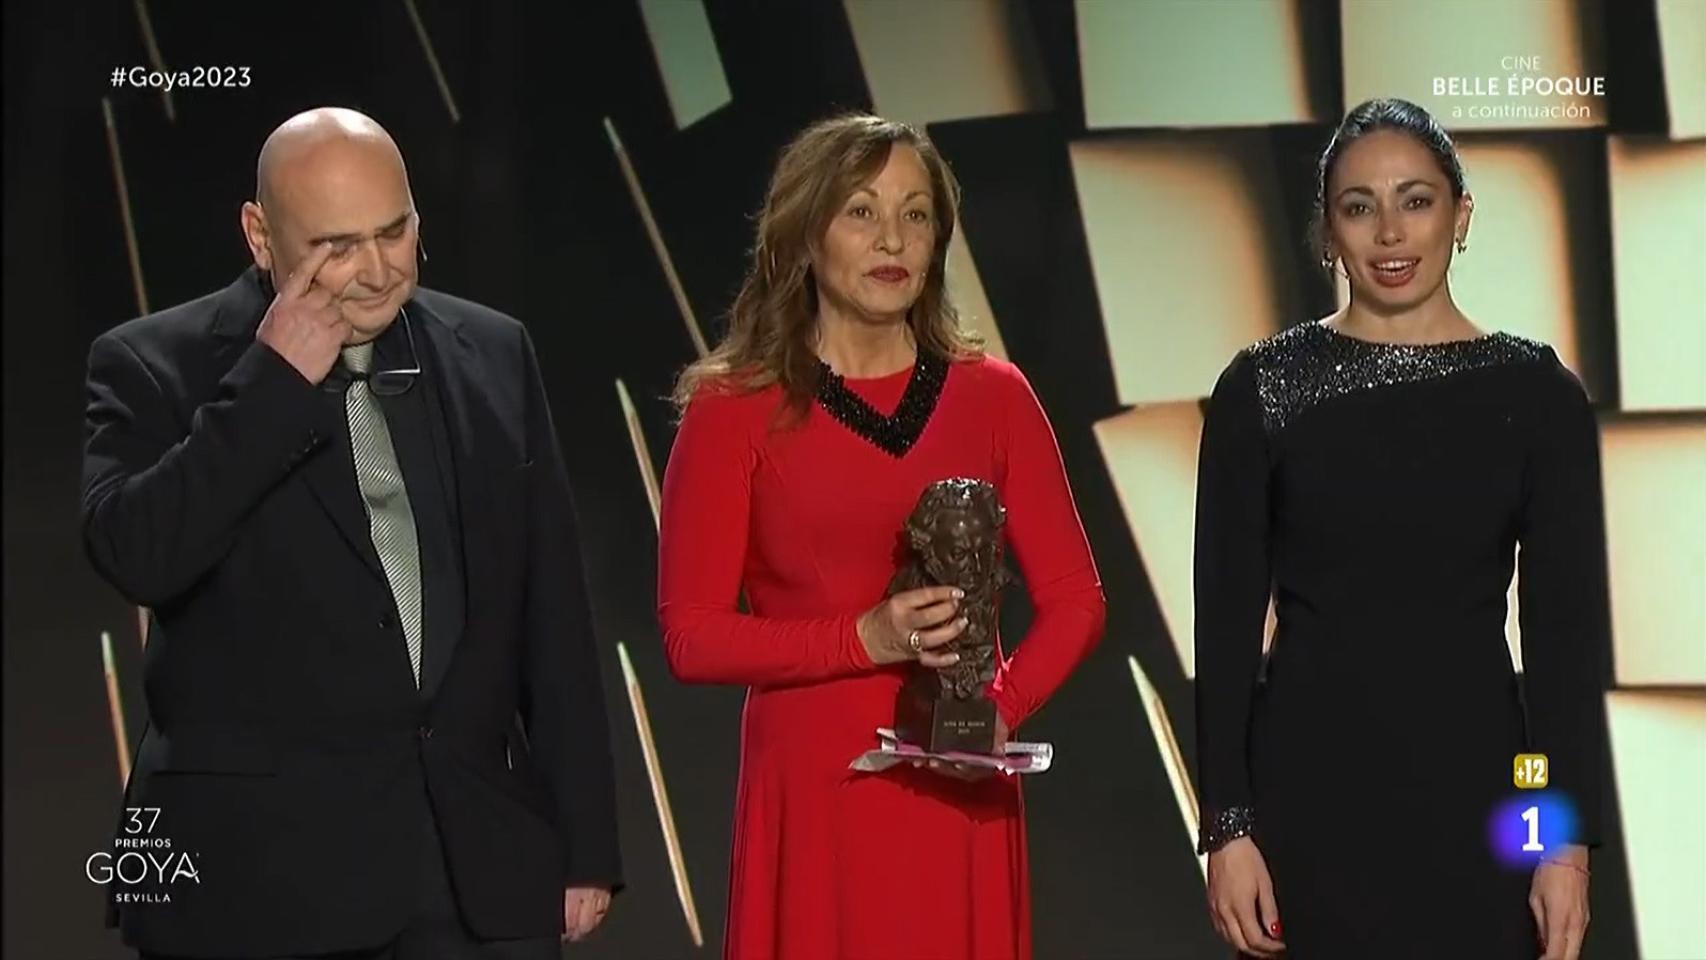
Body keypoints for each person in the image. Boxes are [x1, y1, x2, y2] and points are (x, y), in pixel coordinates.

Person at [81, 107, 621, 959]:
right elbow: (139, 555)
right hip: (260, 888)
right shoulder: (153, 365)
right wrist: (270, 385)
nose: (375, 271)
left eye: (394, 232)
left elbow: (552, 614)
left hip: (477, 874)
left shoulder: (492, 351)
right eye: (335, 246)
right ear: (260, 236)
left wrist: (585, 845)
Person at [655, 113, 1106, 960]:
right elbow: (692, 636)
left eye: (916, 213)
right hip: (818, 791)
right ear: (804, 233)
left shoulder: (995, 397)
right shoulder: (733, 411)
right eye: (861, 211)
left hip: (956, 791)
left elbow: (1079, 600)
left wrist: (994, 712)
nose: (891, 237)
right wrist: (863, 638)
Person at [1193, 98, 1607, 960]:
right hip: (1305, 806)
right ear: (1328, 233)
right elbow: (1224, 633)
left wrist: (1560, 842)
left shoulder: (1537, 398)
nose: (1389, 231)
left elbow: (1562, 650)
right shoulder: (1261, 393)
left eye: (1415, 200)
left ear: (1461, 216)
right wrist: (1227, 829)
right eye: (1359, 206)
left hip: (1491, 806)